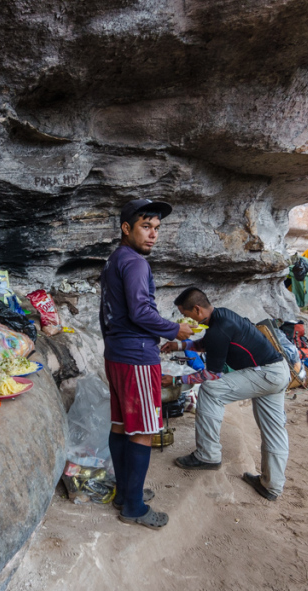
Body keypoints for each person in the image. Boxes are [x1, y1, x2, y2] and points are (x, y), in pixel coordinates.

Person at [101, 198, 193, 530]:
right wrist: (175, 329)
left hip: (116, 353)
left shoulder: (115, 260)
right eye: (145, 227)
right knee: (142, 431)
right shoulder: (136, 263)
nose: (153, 235)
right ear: (126, 228)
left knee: (121, 426)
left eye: (156, 228)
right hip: (136, 357)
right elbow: (141, 313)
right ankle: (135, 507)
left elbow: (110, 313)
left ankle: (125, 494)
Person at [160, 288, 291, 500]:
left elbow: (212, 375)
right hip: (277, 370)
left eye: (186, 315)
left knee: (211, 390)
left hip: (265, 375)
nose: (186, 321)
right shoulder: (222, 315)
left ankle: (207, 455)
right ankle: (271, 486)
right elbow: (209, 344)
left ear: (197, 309)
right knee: (274, 429)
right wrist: (179, 345)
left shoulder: (217, 329)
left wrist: (175, 380)